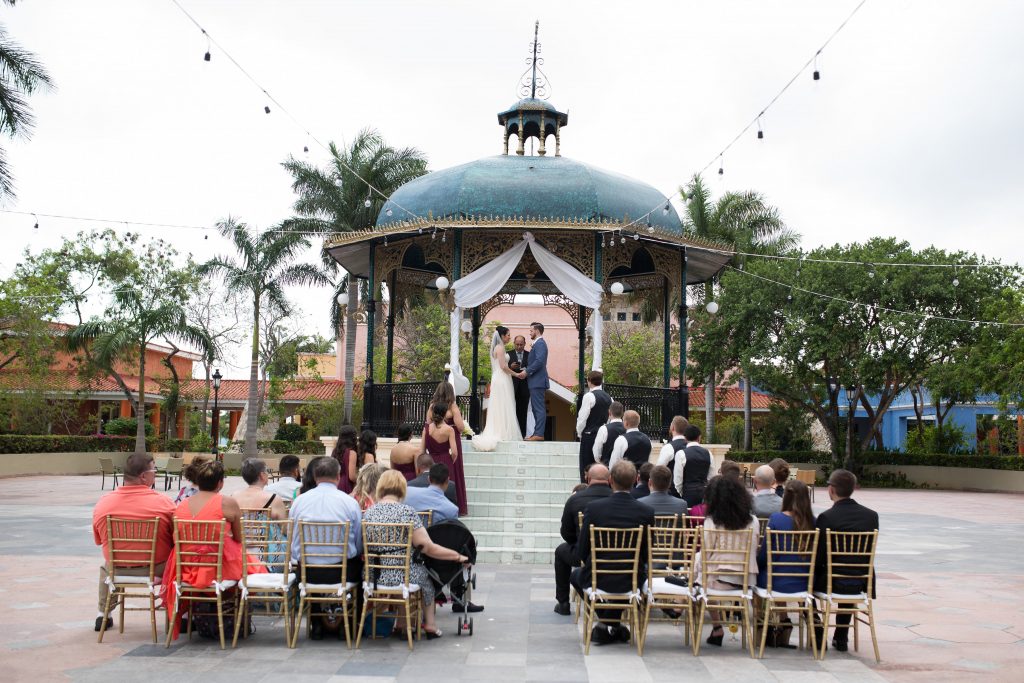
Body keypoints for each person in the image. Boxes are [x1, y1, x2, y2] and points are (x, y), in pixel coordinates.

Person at [162, 459, 267, 640]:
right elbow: (240, 537)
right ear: (220, 483)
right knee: (249, 561)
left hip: (184, 567)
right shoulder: (227, 503)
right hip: (216, 568)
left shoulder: (181, 506)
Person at [362, 470, 470, 639]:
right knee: (427, 578)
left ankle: (402, 624)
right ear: (402, 488)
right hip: (404, 576)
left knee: (406, 570)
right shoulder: (407, 512)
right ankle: (430, 625)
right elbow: (427, 547)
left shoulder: (369, 513)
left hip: (374, 575)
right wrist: (456, 556)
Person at [571, 461, 655, 645]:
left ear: (610, 480)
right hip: (631, 578)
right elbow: (648, 552)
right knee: (630, 579)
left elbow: (582, 549)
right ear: (635, 480)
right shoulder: (646, 511)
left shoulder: (594, 508)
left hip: (598, 576)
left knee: (576, 576)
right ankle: (612, 624)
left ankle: (606, 622)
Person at [92, 453, 176, 632]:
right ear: (144, 476)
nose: (156, 474)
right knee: (180, 561)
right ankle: (179, 615)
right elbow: (177, 538)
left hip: (117, 568)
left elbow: (99, 540)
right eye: (154, 470)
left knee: (105, 567)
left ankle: (102, 614)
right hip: (157, 568)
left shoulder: (103, 504)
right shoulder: (164, 503)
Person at [288, 456, 363, 640]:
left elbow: (293, 542)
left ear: (314, 476)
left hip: (309, 572)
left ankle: (317, 624)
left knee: (306, 569)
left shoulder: (299, 502)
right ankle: (350, 625)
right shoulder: (349, 503)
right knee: (361, 571)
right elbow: (359, 543)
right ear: (338, 476)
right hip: (342, 572)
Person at [814, 469, 879, 653]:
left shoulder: (827, 517)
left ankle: (816, 630)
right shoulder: (871, 516)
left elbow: (819, 556)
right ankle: (841, 637)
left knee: (807, 578)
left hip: (832, 581)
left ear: (831, 490)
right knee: (849, 571)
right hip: (861, 580)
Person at [694, 475, 759, 647]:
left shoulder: (712, 521)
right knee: (704, 570)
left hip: (718, 580)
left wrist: (696, 570)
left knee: (701, 568)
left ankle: (717, 626)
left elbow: (706, 553)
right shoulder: (753, 521)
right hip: (745, 580)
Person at [552, 464, 612, 615]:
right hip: (618, 557)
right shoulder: (618, 498)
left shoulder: (575, 500)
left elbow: (566, 533)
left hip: (585, 555)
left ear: (587, 478)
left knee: (561, 551)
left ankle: (563, 602)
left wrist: (580, 543)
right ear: (609, 479)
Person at [472, 326, 525, 452]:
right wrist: (516, 374)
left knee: (501, 405)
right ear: (502, 336)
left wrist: (509, 367)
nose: (509, 337)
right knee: (503, 405)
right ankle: (502, 432)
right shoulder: (500, 348)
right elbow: (502, 367)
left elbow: (501, 364)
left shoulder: (498, 348)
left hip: (499, 378)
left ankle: (501, 430)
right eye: (508, 335)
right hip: (502, 379)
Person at [757, 479, 815, 593]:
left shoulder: (776, 519)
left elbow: (764, 556)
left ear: (786, 497)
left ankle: (777, 610)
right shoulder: (813, 521)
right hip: (805, 583)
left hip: (774, 581)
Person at [428, 381, 468, 515]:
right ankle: (457, 505)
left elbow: (428, 424)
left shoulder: (432, 406)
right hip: (451, 439)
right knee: (454, 470)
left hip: (435, 438)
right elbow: (461, 427)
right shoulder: (452, 406)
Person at [421, 403, 463, 515]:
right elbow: (454, 452)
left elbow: (422, 451)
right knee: (447, 489)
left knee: (432, 488)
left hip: (431, 461)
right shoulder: (449, 430)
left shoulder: (427, 429)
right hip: (446, 461)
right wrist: (451, 460)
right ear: (445, 414)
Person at [575, 370, 612, 481]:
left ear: (589, 381)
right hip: (603, 435)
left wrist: (580, 433)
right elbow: (610, 417)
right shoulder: (609, 397)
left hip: (589, 435)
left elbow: (582, 418)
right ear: (601, 381)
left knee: (586, 467)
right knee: (600, 467)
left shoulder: (589, 396)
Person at [521, 322, 549, 441]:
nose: (530, 333)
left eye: (531, 331)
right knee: (536, 407)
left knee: (538, 408)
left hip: (537, 381)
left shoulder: (540, 344)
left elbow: (539, 361)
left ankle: (539, 434)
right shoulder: (538, 344)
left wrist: (527, 371)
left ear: (537, 331)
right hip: (535, 381)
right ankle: (537, 433)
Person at [679, 425, 712, 507]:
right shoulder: (709, 453)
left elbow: (678, 479)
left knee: (687, 518)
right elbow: (711, 477)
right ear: (699, 437)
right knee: (702, 517)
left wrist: (681, 493)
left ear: (685, 438)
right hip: (704, 492)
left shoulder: (681, 454)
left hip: (687, 492)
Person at [656, 416, 688, 499]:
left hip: (672, 493)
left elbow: (659, 470)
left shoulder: (669, 447)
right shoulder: (690, 446)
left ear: (672, 427)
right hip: (690, 492)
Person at [508, 334, 530, 437]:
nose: (519, 346)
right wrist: (510, 366)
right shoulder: (508, 354)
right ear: (514, 344)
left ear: (525, 344)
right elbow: (503, 368)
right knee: (511, 411)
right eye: (517, 344)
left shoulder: (529, 354)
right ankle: (512, 434)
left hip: (525, 387)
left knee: (523, 411)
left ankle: (522, 434)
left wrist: (527, 370)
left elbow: (532, 368)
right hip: (512, 387)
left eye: (521, 344)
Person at [330, 425, 359, 494]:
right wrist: (361, 480)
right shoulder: (352, 453)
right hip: (346, 485)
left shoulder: (335, 451)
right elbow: (351, 476)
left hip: (334, 483)